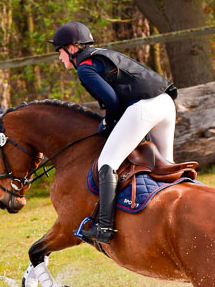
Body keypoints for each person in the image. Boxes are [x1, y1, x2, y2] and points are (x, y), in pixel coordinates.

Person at [49, 21, 178, 244]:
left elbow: (111, 100)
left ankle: (105, 227)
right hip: (165, 103)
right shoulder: (101, 55)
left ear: (71, 48)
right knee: (166, 166)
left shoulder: (85, 67)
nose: (60, 58)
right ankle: (173, 216)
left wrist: (108, 122)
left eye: (60, 51)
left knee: (107, 163)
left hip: (144, 107)